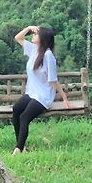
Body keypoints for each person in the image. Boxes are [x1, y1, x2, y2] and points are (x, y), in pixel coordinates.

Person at [12, 25, 70, 155]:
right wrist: (28, 28)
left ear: (43, 38)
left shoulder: (48, 55)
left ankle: (18, 149)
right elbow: (18, 37)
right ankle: (21, 145)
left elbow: (53, 80)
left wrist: (64, 97)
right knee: (16, 110)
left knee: (24, 117)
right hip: (32, 92)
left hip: (43, 95)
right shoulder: (34, 49)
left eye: (37, 34)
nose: (33, 35)